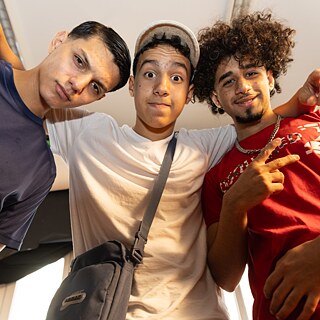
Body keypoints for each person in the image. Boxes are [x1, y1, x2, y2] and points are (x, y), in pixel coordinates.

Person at [1, 19, 316, 319]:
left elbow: (255, 119)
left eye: (177, 78)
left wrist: (296, 102)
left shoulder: (205, 147)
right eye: (150, 74)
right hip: (105, 309)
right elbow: (29, 82)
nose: (162, 87)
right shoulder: (88, 132)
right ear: (133, 85)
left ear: (189, 93)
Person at [194, 11, 320, 320]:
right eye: (228, 80)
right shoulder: (216, 177)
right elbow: (225, 277)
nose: (242, 86)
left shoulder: (313, 117)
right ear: (215, 97)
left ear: (270, 77)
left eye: (251, 73)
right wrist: (236, 203)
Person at [0, 21, 131, 253]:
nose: (78, 85)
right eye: (79, 61)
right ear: (58, 41)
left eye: (95, 87)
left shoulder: (40, 173)